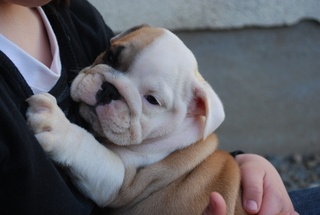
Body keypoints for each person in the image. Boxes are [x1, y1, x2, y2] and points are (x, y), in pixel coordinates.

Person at [0, 0, 305, 214]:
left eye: (151, 99)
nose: (113, 91)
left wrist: (245, 163)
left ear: (198, 109)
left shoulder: (75, 15)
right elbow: (117, 184)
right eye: (111, 59)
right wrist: (67, 139)